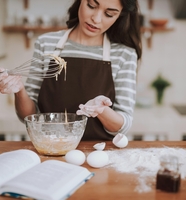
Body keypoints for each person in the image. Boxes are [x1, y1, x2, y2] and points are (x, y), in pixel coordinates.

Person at [0, 0, 142, 140]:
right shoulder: (46, 43)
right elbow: (29, 116)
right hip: (49, 150)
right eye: (91, 6)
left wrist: (101, 110)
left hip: (99, 152)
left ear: (119, 16)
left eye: (109, 14)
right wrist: (19, 91)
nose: (96, 19)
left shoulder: (124, 54)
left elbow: (123, 125)